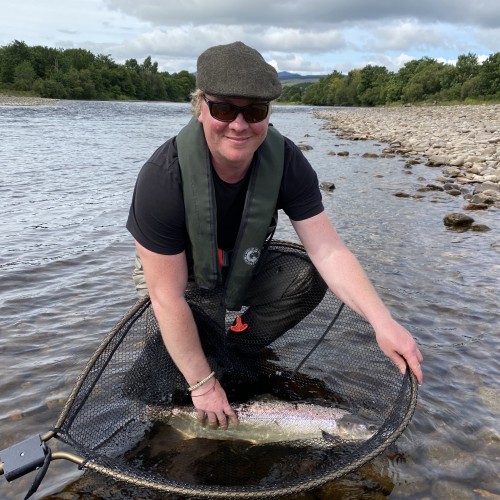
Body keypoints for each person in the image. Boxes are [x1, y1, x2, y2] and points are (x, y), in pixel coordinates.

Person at [126, 41, 424, 431]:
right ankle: (203, 368)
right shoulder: (163, 178)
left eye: (254, 111)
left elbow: (329, 251)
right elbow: (167, 296)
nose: (238, 124)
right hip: (176, 278)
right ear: (200, 108)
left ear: (268, 114)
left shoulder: (287, 162)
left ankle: (233, 353)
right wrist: (202, 386)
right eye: (223, 109)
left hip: (238, 266)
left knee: (306, 274)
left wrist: (383, 322)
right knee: (173, 361)